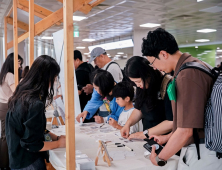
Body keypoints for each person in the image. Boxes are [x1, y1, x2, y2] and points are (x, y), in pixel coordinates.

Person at [143, 28, 222, 169]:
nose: (154, 67)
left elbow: (186, 131)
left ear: (163, 54)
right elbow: (189, 120)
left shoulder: (187, 75)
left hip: (202, 153)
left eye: (152, 62)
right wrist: (167, 138)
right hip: (202, 150)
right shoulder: (194, 65)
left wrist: (160, 158)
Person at [6, 55, 66, 170]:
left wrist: (56, 138)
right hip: (28, 161)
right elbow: (32, 144)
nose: (54, 80)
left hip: (17, 157)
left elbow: (34, 130)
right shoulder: (34, 103)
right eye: (53, 77)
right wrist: (59, 144)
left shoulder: (22, 93)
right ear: (46, 77)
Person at [120, 56, 173, 140]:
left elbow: (171, 122)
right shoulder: (141, 87)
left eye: (138, 81)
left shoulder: (168, 85)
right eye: (134, 82)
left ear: (148, 75)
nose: (137, 85)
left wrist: (145, 133)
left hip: (165, 140)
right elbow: (139, 109)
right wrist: (128, 124)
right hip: (149, 139)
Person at [79, 47, 123, 123]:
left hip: (112, 110)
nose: (95, 63)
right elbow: (95, 97)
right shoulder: (101, 70)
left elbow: (114, 93)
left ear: (102, 56)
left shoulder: (112, 68)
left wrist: (106, 119)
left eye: (95, 60)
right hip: (106, 109)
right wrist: (87, 110)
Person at [0, 53, 23, 169]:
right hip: (6, 107)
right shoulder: (9, 75)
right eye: (18, 63)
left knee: (5, 135)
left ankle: (4, 164)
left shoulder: (3, 73)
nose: (19, 66)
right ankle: (5, 165)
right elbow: (16, 92)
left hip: (2, 105)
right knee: (6, 136)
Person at [74, 50, 95, 123]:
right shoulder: (89, 66)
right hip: (93, 105)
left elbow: (78, 92)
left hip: (84, 106)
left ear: (77, 60)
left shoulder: (80, 72)